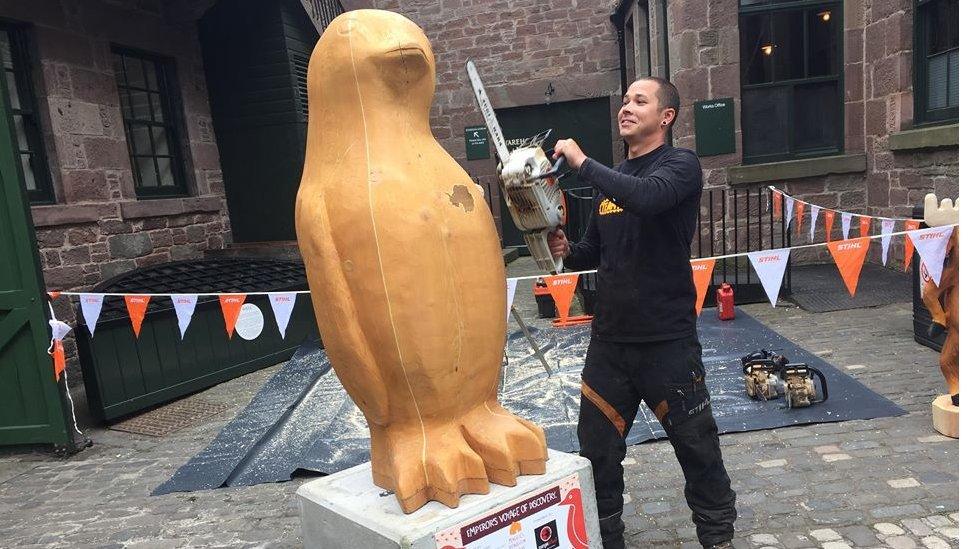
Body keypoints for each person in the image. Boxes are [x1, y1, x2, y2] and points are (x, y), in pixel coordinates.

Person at [549, 77, 736, 549]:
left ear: (666, 116)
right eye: (625, 101)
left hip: (667, 343)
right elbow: (592, 251)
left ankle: (717, 538)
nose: (626, 108)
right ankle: (605, 535)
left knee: (697, 448)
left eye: (640, 101)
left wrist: (582, 162)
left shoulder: (680, 166)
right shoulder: (612, 179)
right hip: (610, 343)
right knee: (596, 452)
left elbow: (647, 198)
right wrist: (565, 249)